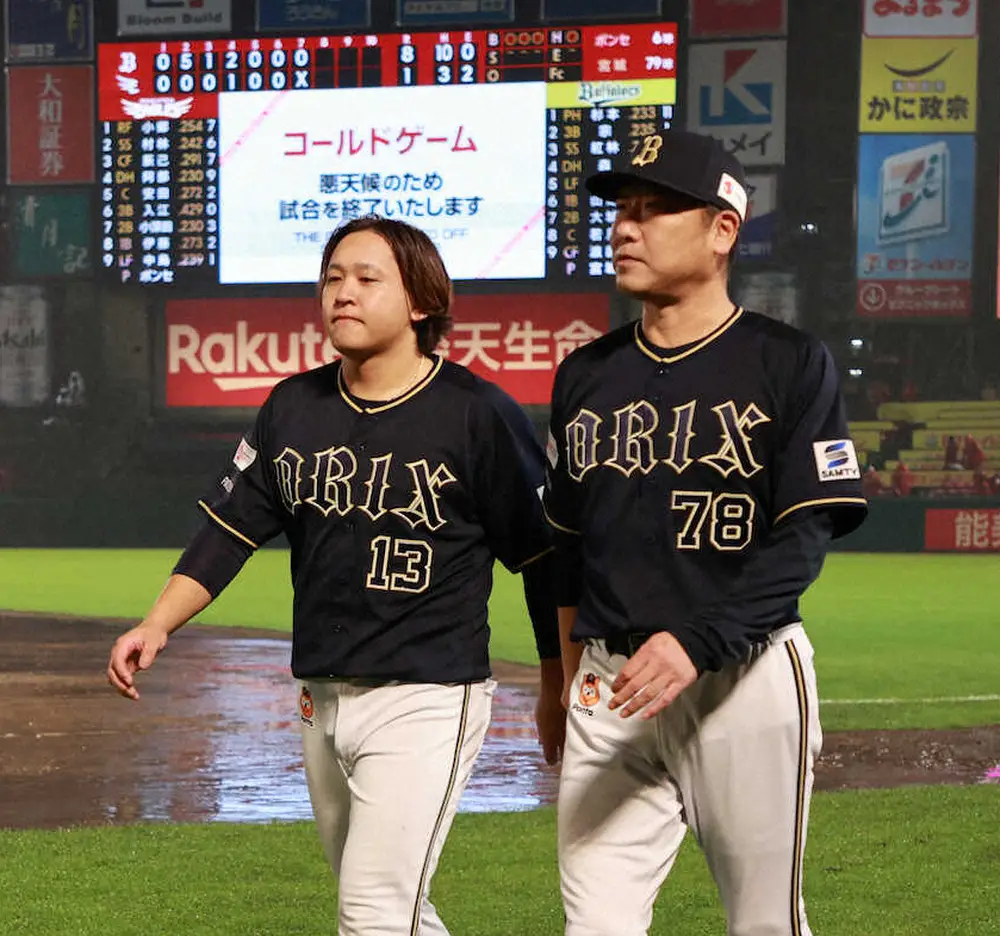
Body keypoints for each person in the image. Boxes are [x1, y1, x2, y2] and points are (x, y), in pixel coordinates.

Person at [107, 216, 564, 936]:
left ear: (421, 302)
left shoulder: (476, 414)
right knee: (393, 911)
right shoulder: (294, 407)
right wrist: (156, 622)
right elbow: (230, 529)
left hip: (427, 697)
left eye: (366, 278)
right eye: (332, 278)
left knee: (374, 910)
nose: (342, 293)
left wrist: (555, 680)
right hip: (321, 698)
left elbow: (543, 557)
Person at [543, 131, 868, 936]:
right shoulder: (585, 375)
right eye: (622, 211)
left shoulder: (788, 363)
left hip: (744, 675)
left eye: (654, 211)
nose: (625, 228)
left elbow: (802, 538)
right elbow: (561, 549)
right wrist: (560, 678)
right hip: (611, 684)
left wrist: (698, 640)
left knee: (762, 924)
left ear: (723, 229)